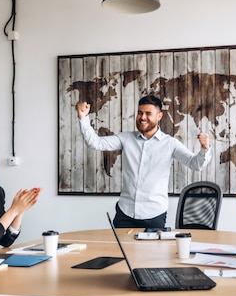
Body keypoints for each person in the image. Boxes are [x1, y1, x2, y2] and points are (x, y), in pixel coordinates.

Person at [76, 95, 211, 230]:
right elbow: (96, 143)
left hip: (154, 214)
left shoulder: (170, 144)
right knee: (119, 250)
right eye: (140, 113)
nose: (142, 117)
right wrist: (83, 118)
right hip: (125, 212)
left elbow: (195, 164)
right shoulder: (125, 138)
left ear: (159, 116)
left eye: (148, 113)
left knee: (151, 252)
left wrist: (205, 149)